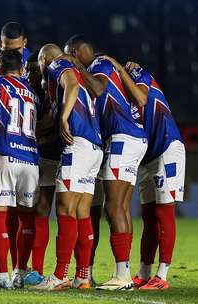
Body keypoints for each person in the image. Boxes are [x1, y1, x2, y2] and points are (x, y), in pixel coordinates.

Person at [64, 34, 147, 290]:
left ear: (76, 52)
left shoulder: (99, 65)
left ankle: (122, 275)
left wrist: (74, 67)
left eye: (70, 54)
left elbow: (98, 88)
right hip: (125, 138)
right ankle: (116, 272)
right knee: (117, 206)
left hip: (123, 138)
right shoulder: (105, 66)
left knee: (113, 207)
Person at [104, 57, 185, 290]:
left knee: (164, 213)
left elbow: (141, 96)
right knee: (148, 215)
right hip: (147, 156)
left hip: (167, 147)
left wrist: (121, 68)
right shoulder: (118, 94)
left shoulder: (138, 75)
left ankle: (162, 275)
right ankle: (144, 273)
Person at [35, 44, 103, 290]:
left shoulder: (58, 65)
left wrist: (63, 117)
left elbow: (71, 82)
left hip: (78, 145)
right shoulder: (80, 79)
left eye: (40, 62)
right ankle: (82, 275)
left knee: (64, 209)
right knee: (82, 212)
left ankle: (60, 274)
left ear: (44, 59)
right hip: (95, 147)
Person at [0, 49, 39, 289]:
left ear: (0, 68)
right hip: (31, 161)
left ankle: (2, 277)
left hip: (5, 155)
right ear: (21, 69)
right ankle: (20, 271)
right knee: (27, 219)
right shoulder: (33, 93)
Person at [21, 51, 60, 285]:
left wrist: (41, 135)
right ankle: (29, 268)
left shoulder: (52, 89)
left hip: (54, 156)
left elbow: (55, 124)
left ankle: (39, 268)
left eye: (36, 69)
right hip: (33, 157)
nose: (32, 74)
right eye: (29, 70)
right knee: (33, 211)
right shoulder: (25, 91)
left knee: (49, 210)